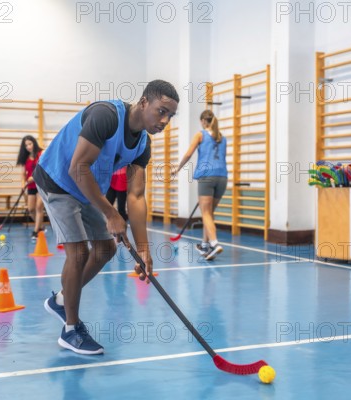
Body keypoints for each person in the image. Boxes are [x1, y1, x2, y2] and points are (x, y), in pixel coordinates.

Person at [33, 80, 179, 354]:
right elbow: (78, 166)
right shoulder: (107, 116)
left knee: (105, 249)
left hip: (87, 187)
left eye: (170, 115)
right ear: (144, 102)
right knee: (77, 253)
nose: (165, 120)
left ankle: (61, 300)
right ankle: (71, 330)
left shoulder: (142, 145)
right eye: (161, 111)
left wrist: (145, 250)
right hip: (58, 179)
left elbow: (136, 197)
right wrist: (111, 213)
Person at [174, 109, 228, 261]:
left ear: (203, 122)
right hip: (222, 178)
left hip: (206, 177)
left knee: (205, 213)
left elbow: (189, 153)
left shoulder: (201, 134)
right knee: (209, 213)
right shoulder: (222, 137)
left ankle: (215, 243)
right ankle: (205, 245)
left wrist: (178, 168)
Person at [16, 135, 45, 240]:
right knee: (31, 209)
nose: (28, 146)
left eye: (30, 143)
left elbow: (44, 169)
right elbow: (23, 174)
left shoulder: (41, 154)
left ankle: (35, 231)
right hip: (31, 186)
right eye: (26, 145)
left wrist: (34, 177)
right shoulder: (25, 159)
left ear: (34, 143)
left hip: (42, 185)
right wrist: (23, 184)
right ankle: (41, 226)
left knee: (38, 207)